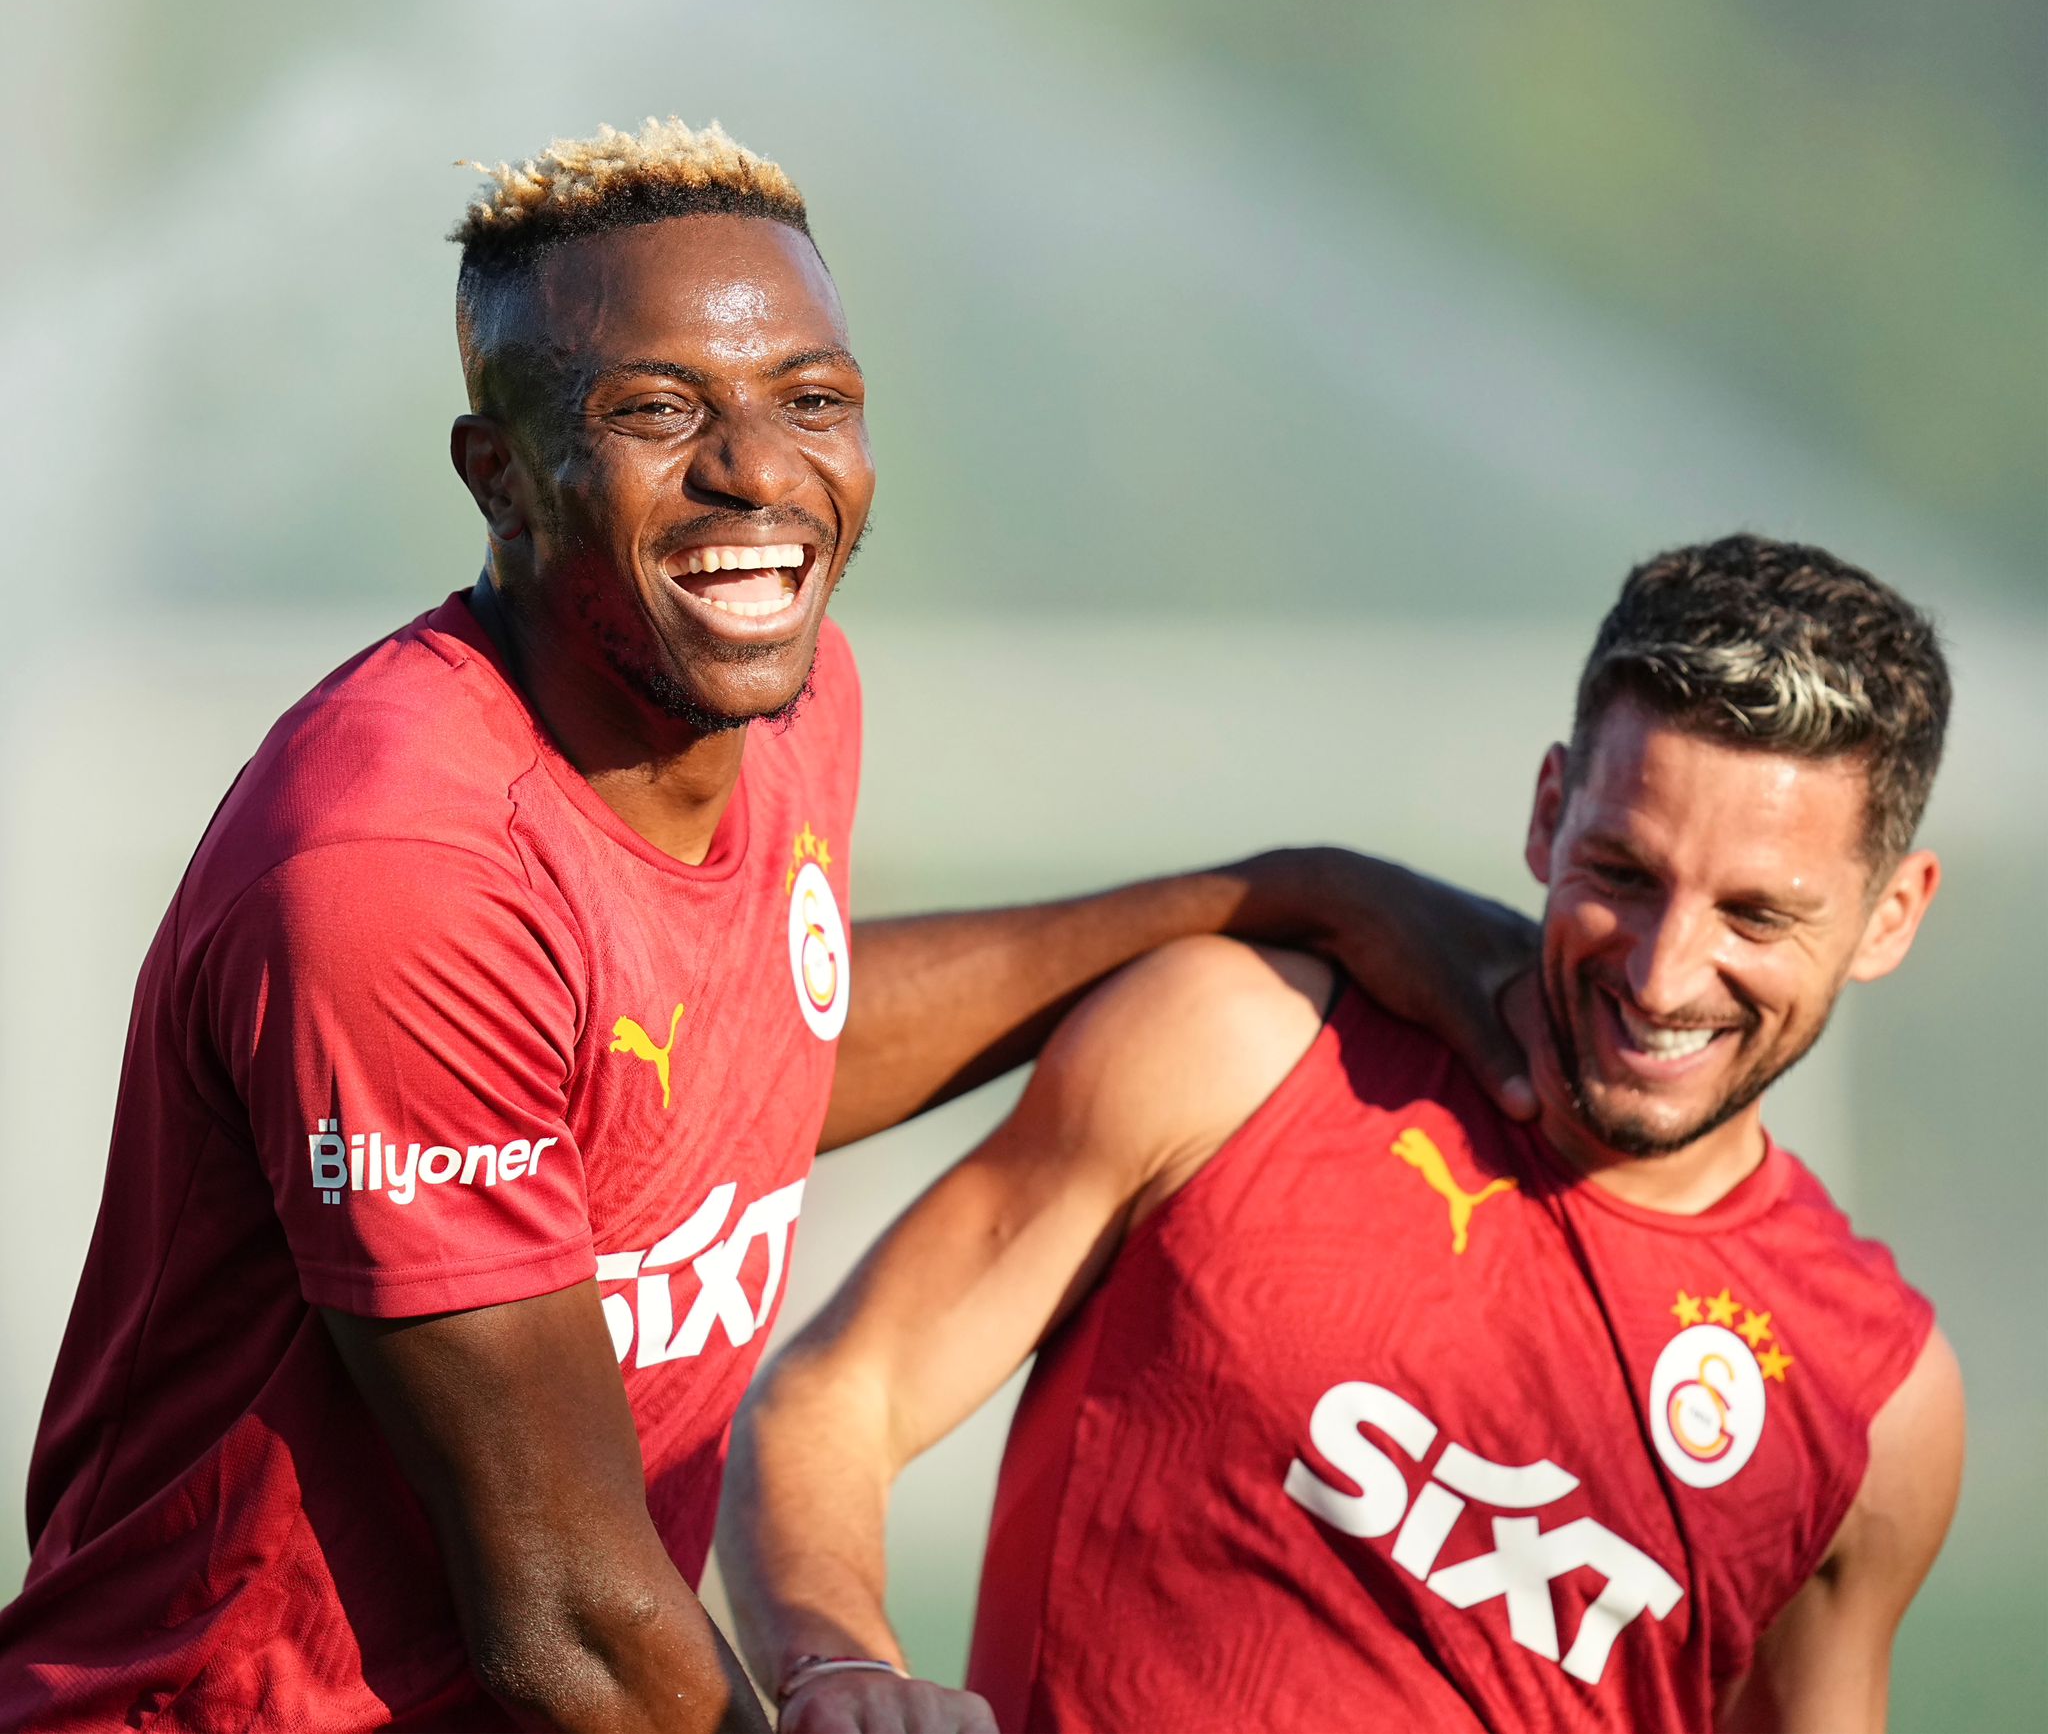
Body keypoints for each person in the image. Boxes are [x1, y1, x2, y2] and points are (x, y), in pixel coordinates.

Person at [0, 120, 1531, 1734]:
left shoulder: (779, 697)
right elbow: (574, 1629)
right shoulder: (400, 873)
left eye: (811, 399)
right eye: (657, 410)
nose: (756, 469)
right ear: (499, 476)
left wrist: (1271, 891)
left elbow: (745, 1053)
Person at [722, 535, 1965, 1734]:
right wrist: (841, 1661)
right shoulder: (1239, 1048)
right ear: (1548, 811)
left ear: (1889, 915)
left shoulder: (1877, 1405)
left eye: (1754, 916)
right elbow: (838, 1398)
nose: (1661, 972)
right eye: (1623, 874)